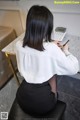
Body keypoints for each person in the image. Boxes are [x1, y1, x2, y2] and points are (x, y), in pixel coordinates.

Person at [15, 5, 79, 116]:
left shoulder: (18, 45)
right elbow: (74, 68)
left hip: (22, 96)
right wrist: (66, 51)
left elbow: (33, 53)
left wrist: (49, 44)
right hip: (43, 105)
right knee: (53, 73)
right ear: (47, 28)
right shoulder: (51, 49)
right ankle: (54, 95)